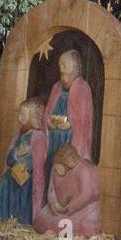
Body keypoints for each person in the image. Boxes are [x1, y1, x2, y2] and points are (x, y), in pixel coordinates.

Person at [0, 98, 46, 225]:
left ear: (32, 119)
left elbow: (38, 162)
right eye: (19, 115)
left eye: (23, 115)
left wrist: (25, 164)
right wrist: (16, 154)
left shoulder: (38, 137)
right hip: (13, 174)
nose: (19, 119)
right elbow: (9, 159)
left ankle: (20, 221)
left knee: (21, 194)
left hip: (27, 179)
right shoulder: (18, 136)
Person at [43, 49, 93, 187]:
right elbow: (48, 111)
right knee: (49, 164)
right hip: (53, 139)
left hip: (69, 140)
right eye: (60, 66)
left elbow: (83, 122)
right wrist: (48, 121)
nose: (61, 69)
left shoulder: (83, 88)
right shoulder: (56, 87)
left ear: (75, 67)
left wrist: (69, 125)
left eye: (65, 65)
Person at [33, 144, 101, 238]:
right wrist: (53, 202)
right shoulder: (55, 169)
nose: (58, 170)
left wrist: (70, 207)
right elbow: (51, 190)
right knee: (40, 221)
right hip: (59, 209)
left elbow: (88, 194)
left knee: (82, 227)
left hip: (82, 209)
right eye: (56, 166)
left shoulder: (85, 169)